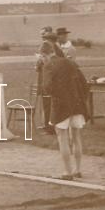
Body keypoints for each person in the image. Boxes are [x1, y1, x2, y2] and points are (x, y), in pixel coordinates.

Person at [40, 41, 89, 180]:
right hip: (77, 104)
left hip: (60, 106)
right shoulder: (70, 62)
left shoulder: (48, 65)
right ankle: (77, 170)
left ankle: (67, 172)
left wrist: (57, 93)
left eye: (42, 57)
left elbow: (47, 88)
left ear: (44, 55)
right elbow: (84, 84)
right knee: (76, 137)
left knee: (62, 138)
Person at [36, 27, 65, 135]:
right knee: (48, 105)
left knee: (49, 105)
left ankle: (50, 128)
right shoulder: (54, 49)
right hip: (48, 80)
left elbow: (52, 65)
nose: (44, 41)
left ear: (51, 40)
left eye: (46, 39)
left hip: (50, 81)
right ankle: (48, 126)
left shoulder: (53, 50)